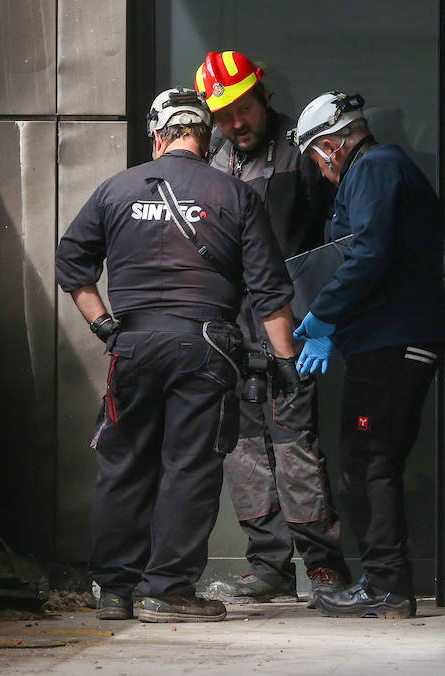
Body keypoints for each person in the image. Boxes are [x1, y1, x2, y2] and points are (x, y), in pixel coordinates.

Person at [55, 88, 299, 624]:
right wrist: (285, 363)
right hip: (207, 347)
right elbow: (269, 291)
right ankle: (167, 590)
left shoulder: (115, 189)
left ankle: (115, 590)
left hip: (133, 343)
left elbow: (72, 262)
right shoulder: (235, 194)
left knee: (123, 465)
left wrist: (104, 325)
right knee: (188, 467)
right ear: (204, 136)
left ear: (157, 134)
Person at [287, 91, 445, 619]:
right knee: (373, 460)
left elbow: (367, 253)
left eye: (317, 159)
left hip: (391, 344)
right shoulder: (385, 168)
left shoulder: (375, 168)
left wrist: (324, 316)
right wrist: (337, 327)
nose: (321, 172)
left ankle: (387, 587)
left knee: (368, 461)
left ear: (331, 146)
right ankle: (387, 584)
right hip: (390, 339)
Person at [194, 50, 350, 604]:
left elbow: (340, 231)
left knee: (294, 444)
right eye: (223, 114)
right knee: (241, 447)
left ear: (264, 96)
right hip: (227, 330)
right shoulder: (208, 163)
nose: (236, 122)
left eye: (244, 108)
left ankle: (324, 566)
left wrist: (325, 312)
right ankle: (269, 566)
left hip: (288, 323)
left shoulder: (300, 153)